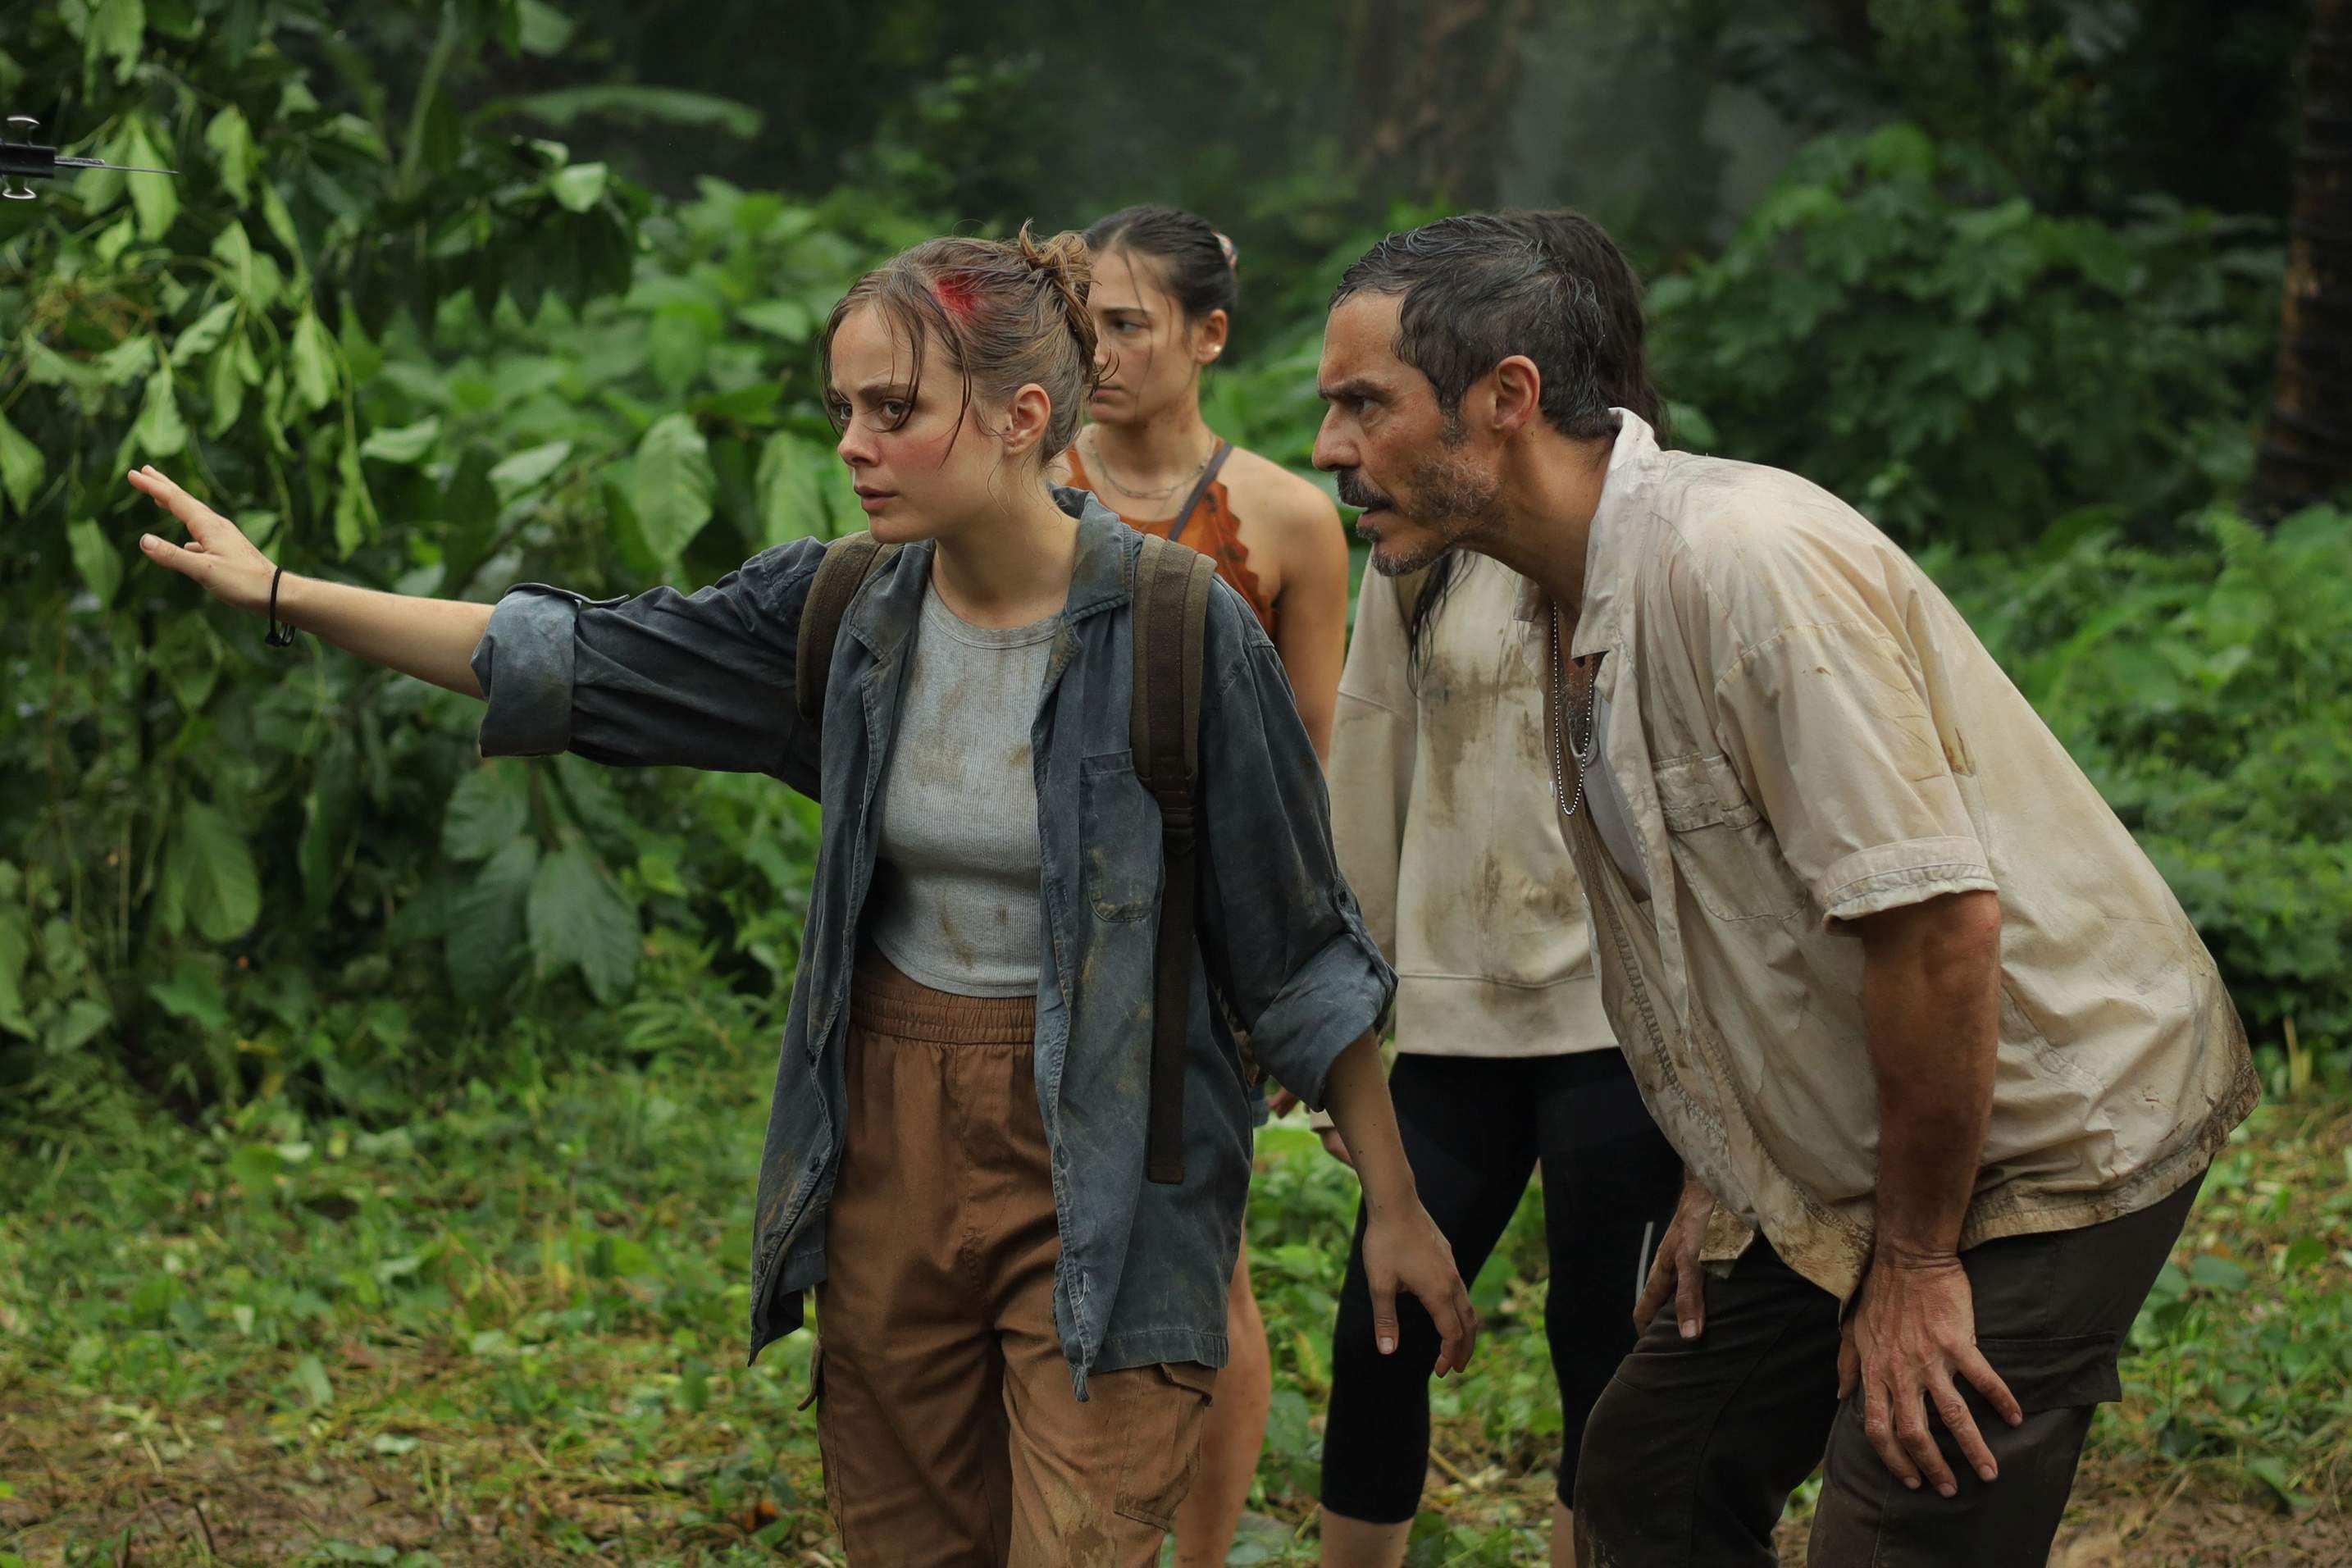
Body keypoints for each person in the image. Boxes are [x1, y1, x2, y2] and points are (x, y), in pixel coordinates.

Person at [128, 224, 1478, 1568]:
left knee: (1084, 1533)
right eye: (844, 411)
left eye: (896, 411)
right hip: (887, 1134)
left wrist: (1396, 1204)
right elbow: (576, 658)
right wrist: (285, 593)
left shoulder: (1180, 630)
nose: (854, 446)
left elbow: (1296, 942)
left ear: (1021, 419)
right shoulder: (844, 612)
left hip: (1116, 1150)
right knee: (909, 1534)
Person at [1308, 212, 2258, 1566]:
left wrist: (1915, 1267)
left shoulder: (1742, 562)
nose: (1330, 447)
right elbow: (1716, 931)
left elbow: (1936, 929)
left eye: (1364, 404)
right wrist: (1734, 1172)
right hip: (1856, 1138)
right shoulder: (1550, 594)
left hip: (2052, 1134)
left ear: (1506, 398)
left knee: (1901, 1503)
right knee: (1649, 1478)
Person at [1308, 214, 1685, 1568]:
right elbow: (1370, 762)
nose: (1339, 445)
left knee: (1607, 1344)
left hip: (1615, 1026)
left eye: (1366, 402)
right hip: (1456, 1011)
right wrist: (1340, 1011)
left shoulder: (1655, 548)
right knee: (1380, 1331)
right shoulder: (1423, 553)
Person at [1069, 203, 1352, 1567]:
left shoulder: (1288, 521)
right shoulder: (1021, 487)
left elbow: (1308, 770)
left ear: (1209, 335)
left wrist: (1291, 984)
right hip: (1035, 918)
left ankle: (1197, 1553)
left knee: (1207, 1256)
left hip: (1198, 937)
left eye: (1128, 324)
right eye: (1084, 324)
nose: (1100, 352)